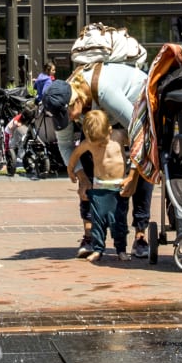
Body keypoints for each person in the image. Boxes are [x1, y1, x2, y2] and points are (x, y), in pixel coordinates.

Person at [70, 109, 129, 262]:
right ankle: (98, 249)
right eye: (97, 143)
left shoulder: (119, 136)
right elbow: (75, 154)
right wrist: (71, 171)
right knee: (98, 222)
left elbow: (137, 143)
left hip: (119, 187)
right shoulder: (89, 142)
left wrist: (133, 174)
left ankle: (121, 249)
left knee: (119, 222)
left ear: (109, 129)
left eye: (103, 141)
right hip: (98, 188)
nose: (101, 145)